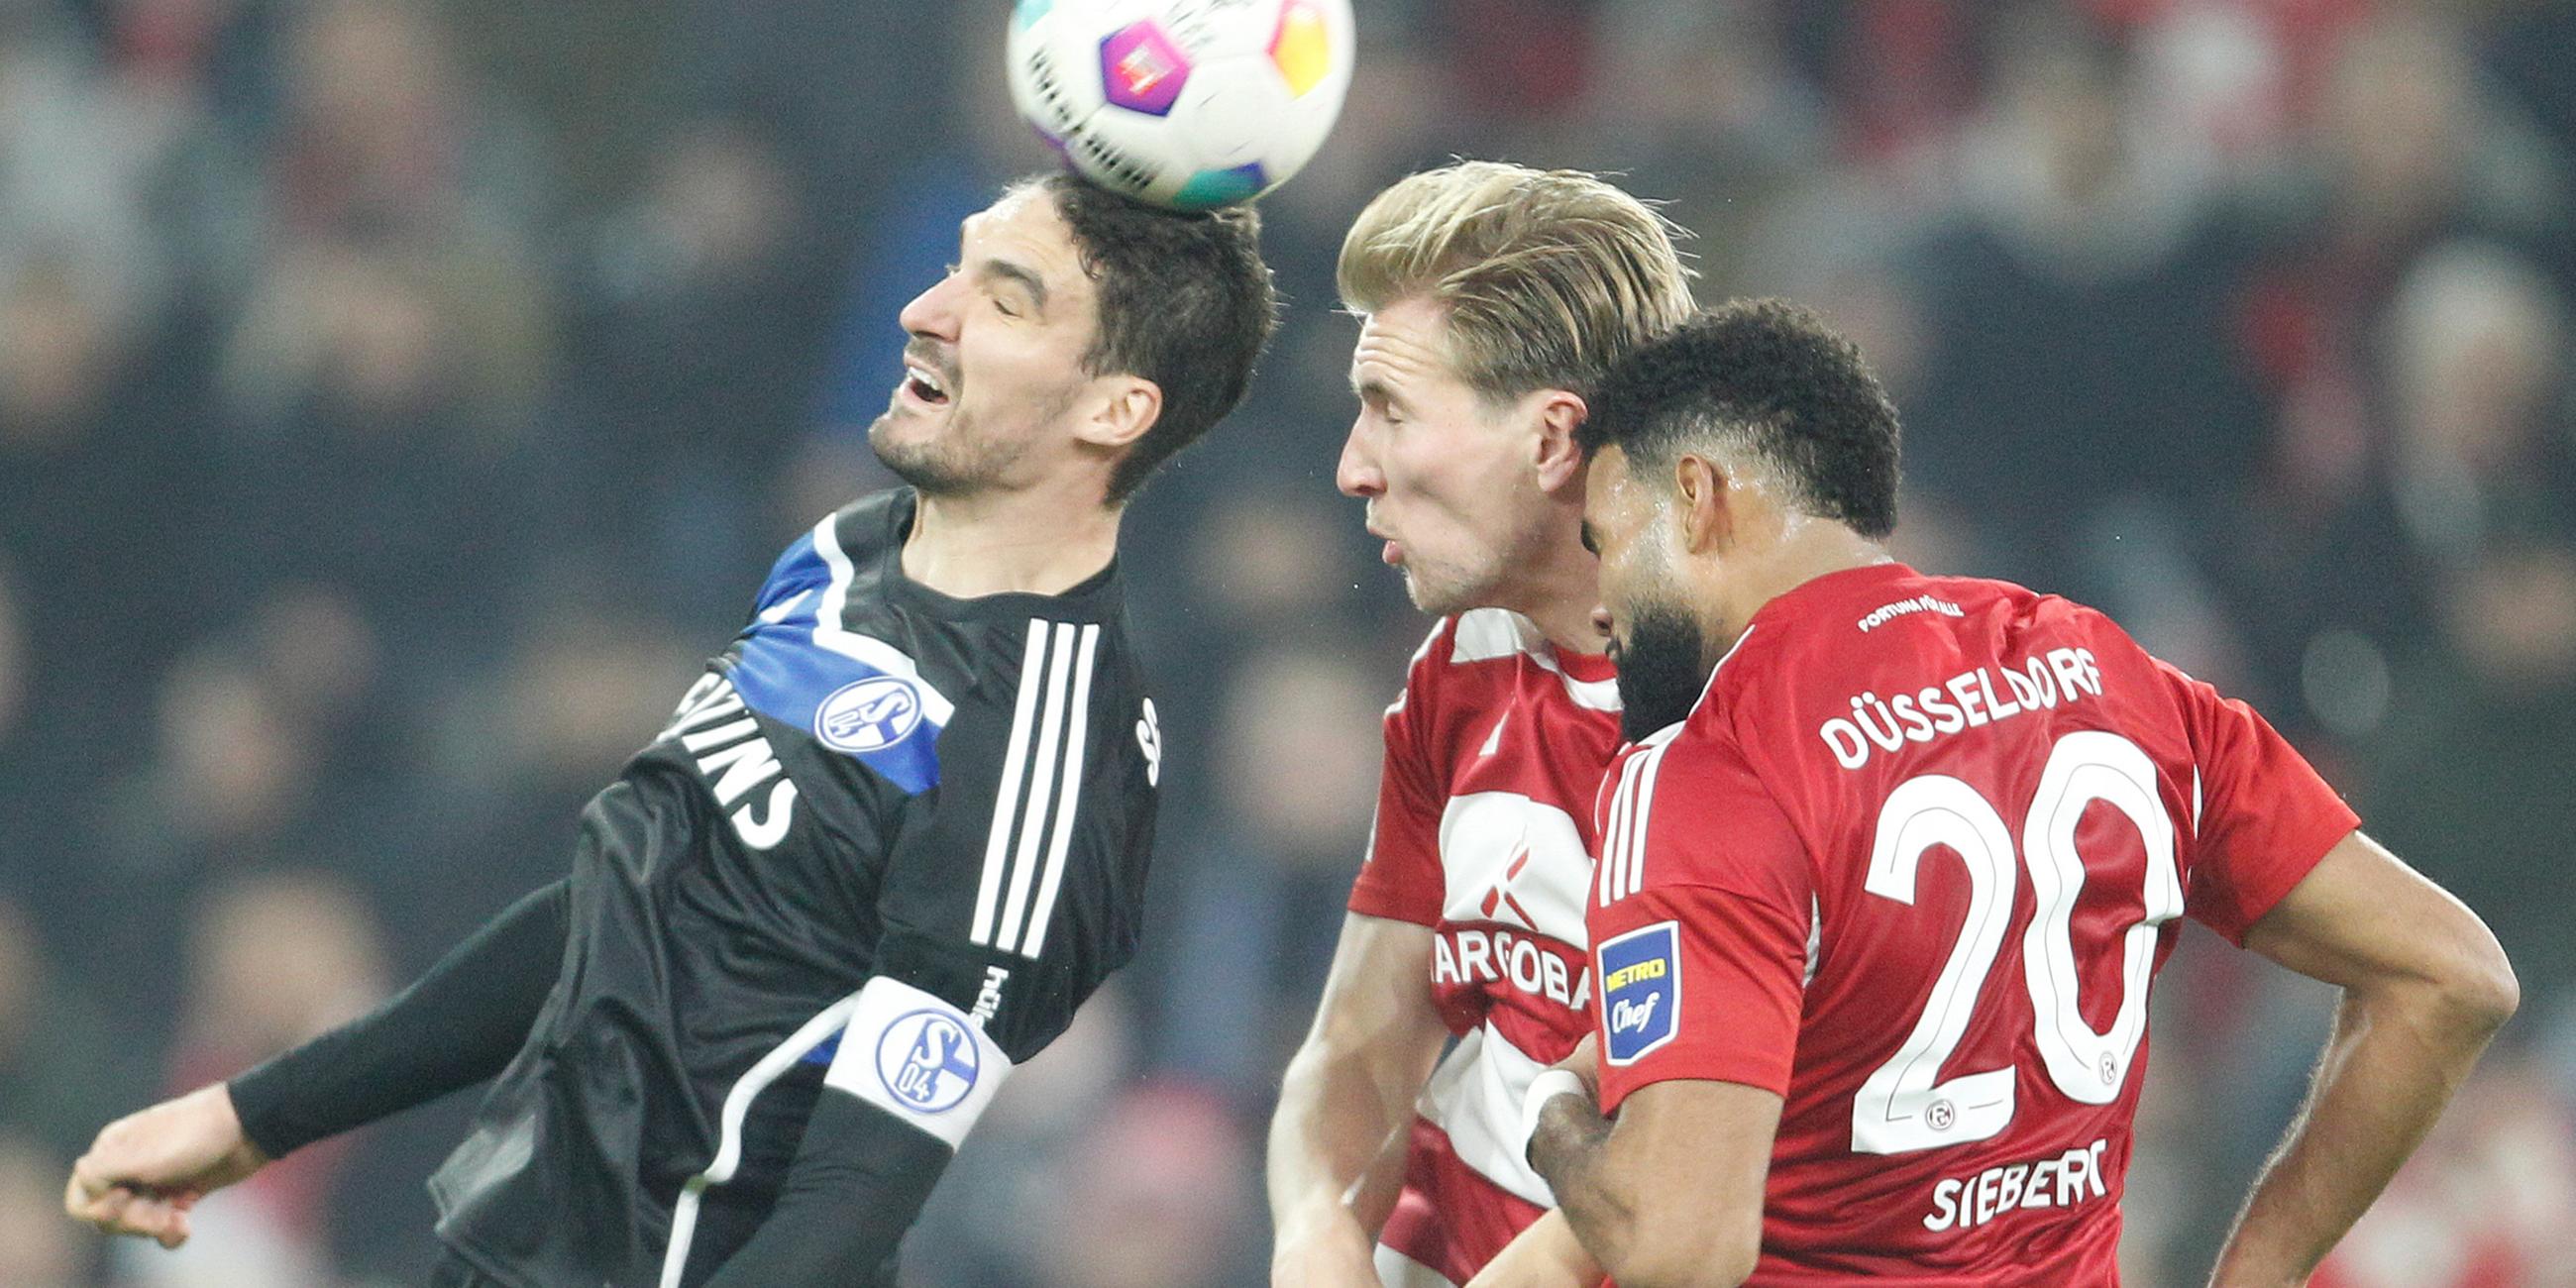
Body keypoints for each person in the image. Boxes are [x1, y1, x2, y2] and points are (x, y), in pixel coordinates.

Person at [62, 172, 1278, 1287]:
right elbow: (621, 905)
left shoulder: (1042, 749)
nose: (926, 308)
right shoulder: (847, 554)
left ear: (1115, 407)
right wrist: (257, 1114)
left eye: (1002, 301)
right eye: (956, 265)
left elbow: (855, 1195)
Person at [1520, 300, 2520, 1286]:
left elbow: (1678, 1249)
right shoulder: (2106, 673)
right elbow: (2450, 975)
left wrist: (1551, 1116)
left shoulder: (1706, 769)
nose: (1600, 606)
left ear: (1696, 497)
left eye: (1607, 540)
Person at [1265, 160, 1693, 1288]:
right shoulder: (1462, 668)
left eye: (1391, 411)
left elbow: (1694, 1164)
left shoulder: (1759, 723)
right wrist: (1317, 1234)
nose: (1353, 468)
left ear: (1554, 439)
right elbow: (1358, 1044)